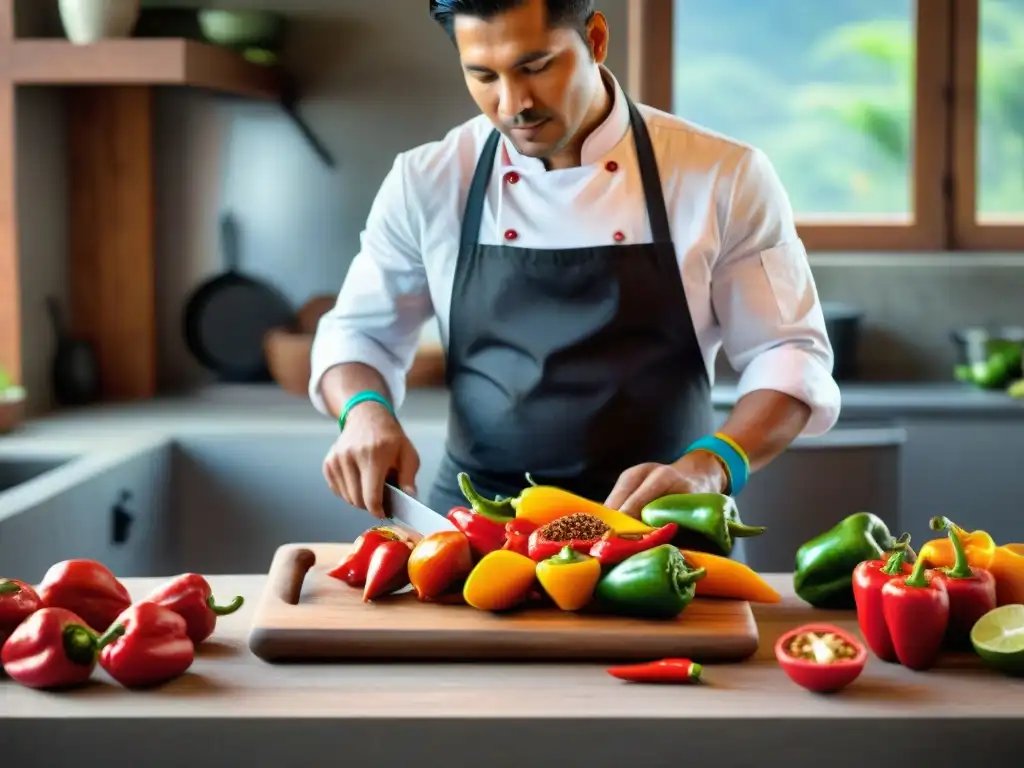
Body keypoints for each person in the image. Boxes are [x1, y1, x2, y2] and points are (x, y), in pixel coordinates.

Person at [310, 0, 840, 522]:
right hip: (479, 529)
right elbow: (359, 335)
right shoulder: (428, 179)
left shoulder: (724, 175)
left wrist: (713, 465)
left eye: (535, 67)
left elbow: (788, 351)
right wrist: (363, 413)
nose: (513, 103)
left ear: (596, 40)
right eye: (483, 76)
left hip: (664, 529)